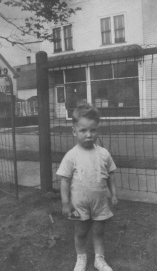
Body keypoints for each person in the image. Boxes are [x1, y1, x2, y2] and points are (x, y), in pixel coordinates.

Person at [56, 103, 118, 271]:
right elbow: (65, 181)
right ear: (74, 131)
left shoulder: (104, 153)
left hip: (100, 203)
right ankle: (81, 258)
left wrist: (114, 194)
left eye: (93, 130)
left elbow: (111, 174)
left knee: (98, 232)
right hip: (79, 204)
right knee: (81, 232)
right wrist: (65, 203)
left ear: (98, 130)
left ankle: (99, 259)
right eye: (83, 131)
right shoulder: (71, 156)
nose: (89, 135)